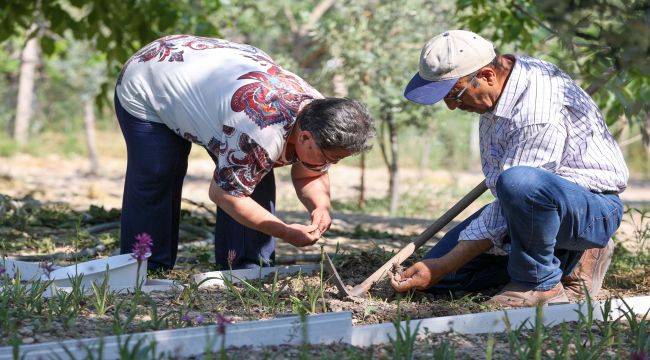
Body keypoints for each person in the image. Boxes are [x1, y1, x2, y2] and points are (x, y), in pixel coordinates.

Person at [392, 30, 628, 307]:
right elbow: (507, 202)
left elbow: (515, 193)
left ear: (488, 76)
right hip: (530, 207)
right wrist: (441, 267)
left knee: (519, 183)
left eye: (455, 96)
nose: (452, 107)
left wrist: (442, 263)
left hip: (590, 208)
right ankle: (568, 258)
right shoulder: (503, 81)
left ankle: (541, 283)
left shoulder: (536, 111)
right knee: (445, 279)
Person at [115, 35, 375, 271]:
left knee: (253, 175)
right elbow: (226, 194)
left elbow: (310, 174)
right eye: (330, 158)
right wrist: (283, 231)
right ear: (305, 137)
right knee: (159, 171)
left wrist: (320, 206)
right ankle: (144, 267)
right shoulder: (259, 131)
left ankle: (247, 268)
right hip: (152, 77)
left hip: (209, 85)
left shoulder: (323, 117)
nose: (330, 164)